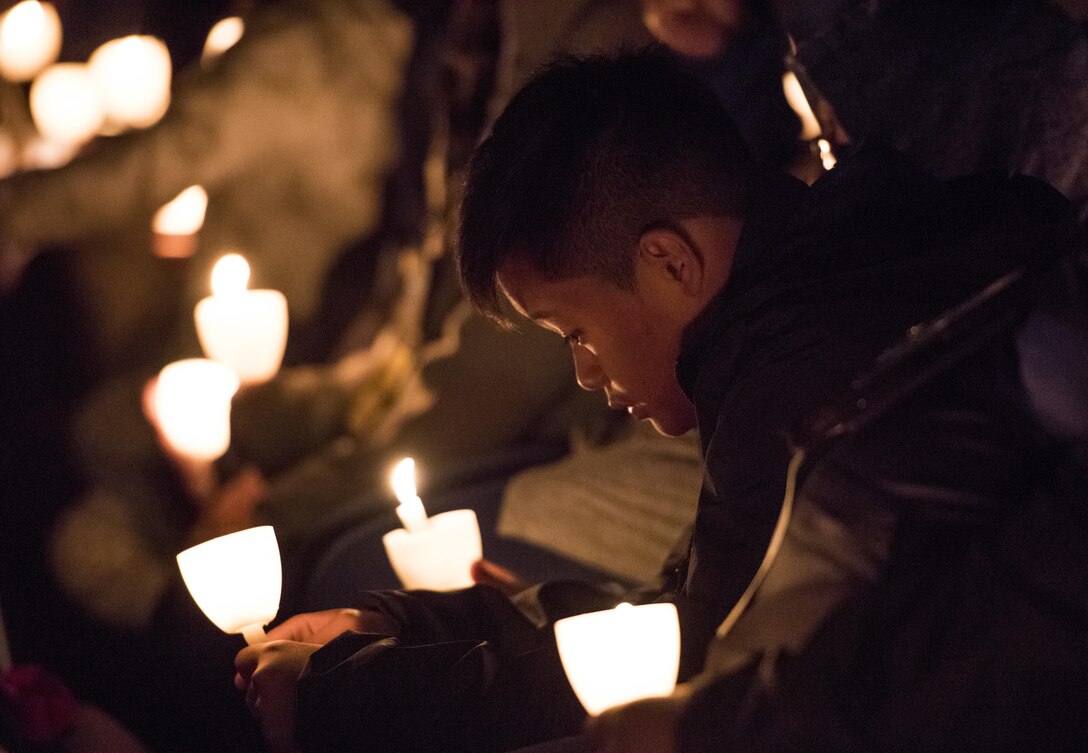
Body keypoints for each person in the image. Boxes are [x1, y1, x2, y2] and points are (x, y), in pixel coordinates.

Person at [235, 50, 1086, 753]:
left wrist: (351, 694)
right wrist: (397, 622)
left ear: (671, 263)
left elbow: (692, 667)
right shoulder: (822, 277)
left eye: (573, 329)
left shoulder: (799, 371)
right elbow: (683, 607)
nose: (582, 373)